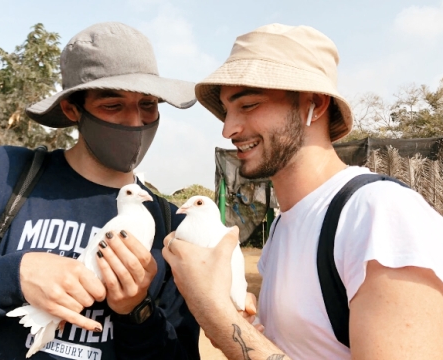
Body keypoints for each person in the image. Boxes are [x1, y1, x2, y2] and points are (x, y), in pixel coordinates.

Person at [0, 22, 200, 359]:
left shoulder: (169, 226)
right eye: (113, 106)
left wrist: (137, 311)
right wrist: (13, 276)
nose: (135, 122)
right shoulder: (4, 176)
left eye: (148, 105)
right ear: (72, 109)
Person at [163, 23, 443, 359]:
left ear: (315, 104)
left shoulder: (380, 215)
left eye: (248, 105)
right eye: (226, 111)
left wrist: (216, 315)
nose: (228, 129)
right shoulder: (285, 225)